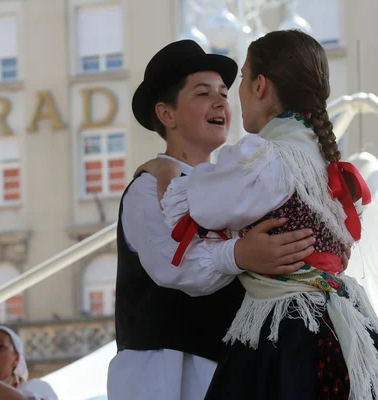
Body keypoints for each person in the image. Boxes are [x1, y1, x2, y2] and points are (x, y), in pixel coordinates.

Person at [141, 30, 378, 400]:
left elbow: (191, 209)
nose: (232, 95)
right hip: (337, 315)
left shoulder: (263, 158)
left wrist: (166, 172)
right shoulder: (325, 161)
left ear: (260, 86)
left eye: (239, 79)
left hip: (287, 329)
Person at [107, 39, 334, 400]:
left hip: (230, 369)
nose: (220, 102)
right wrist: (240, 254)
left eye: (224, 93)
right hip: (169, 374)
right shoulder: (148, 188)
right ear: (167, 115)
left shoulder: (240, 187)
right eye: (202, 94)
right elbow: (172, 264)